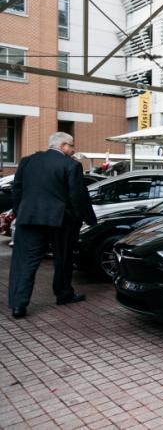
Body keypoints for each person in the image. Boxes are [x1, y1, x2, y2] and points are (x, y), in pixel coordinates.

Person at [8, 132, 97, 319]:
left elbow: (17, 189)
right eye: (72, 146)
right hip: (60, 221)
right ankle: (64, 294)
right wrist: (85, 219)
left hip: (29, 218)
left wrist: (19, 211)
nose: (73, 150)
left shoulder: (27, 161)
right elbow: (77, 197)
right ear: (63, 146)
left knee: (25, 262)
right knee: (63, 259)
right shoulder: (71, 165)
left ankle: (18, 305)